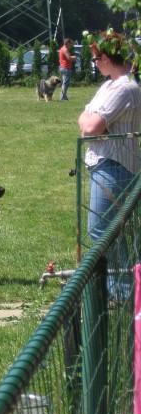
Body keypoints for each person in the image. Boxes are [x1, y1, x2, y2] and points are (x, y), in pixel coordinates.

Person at [78, 31, 141, 301]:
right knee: (107, 229)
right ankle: (121, 290)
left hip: (114, 165)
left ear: (104, 57)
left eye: (95, 59)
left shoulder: (124, 88)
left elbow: (90, 125)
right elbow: (85, 119)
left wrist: (90, 123)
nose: (95, 64)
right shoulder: (109, 85)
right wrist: (89, 122)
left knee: (103, 229)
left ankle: (124, 293)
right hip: (104, 164)